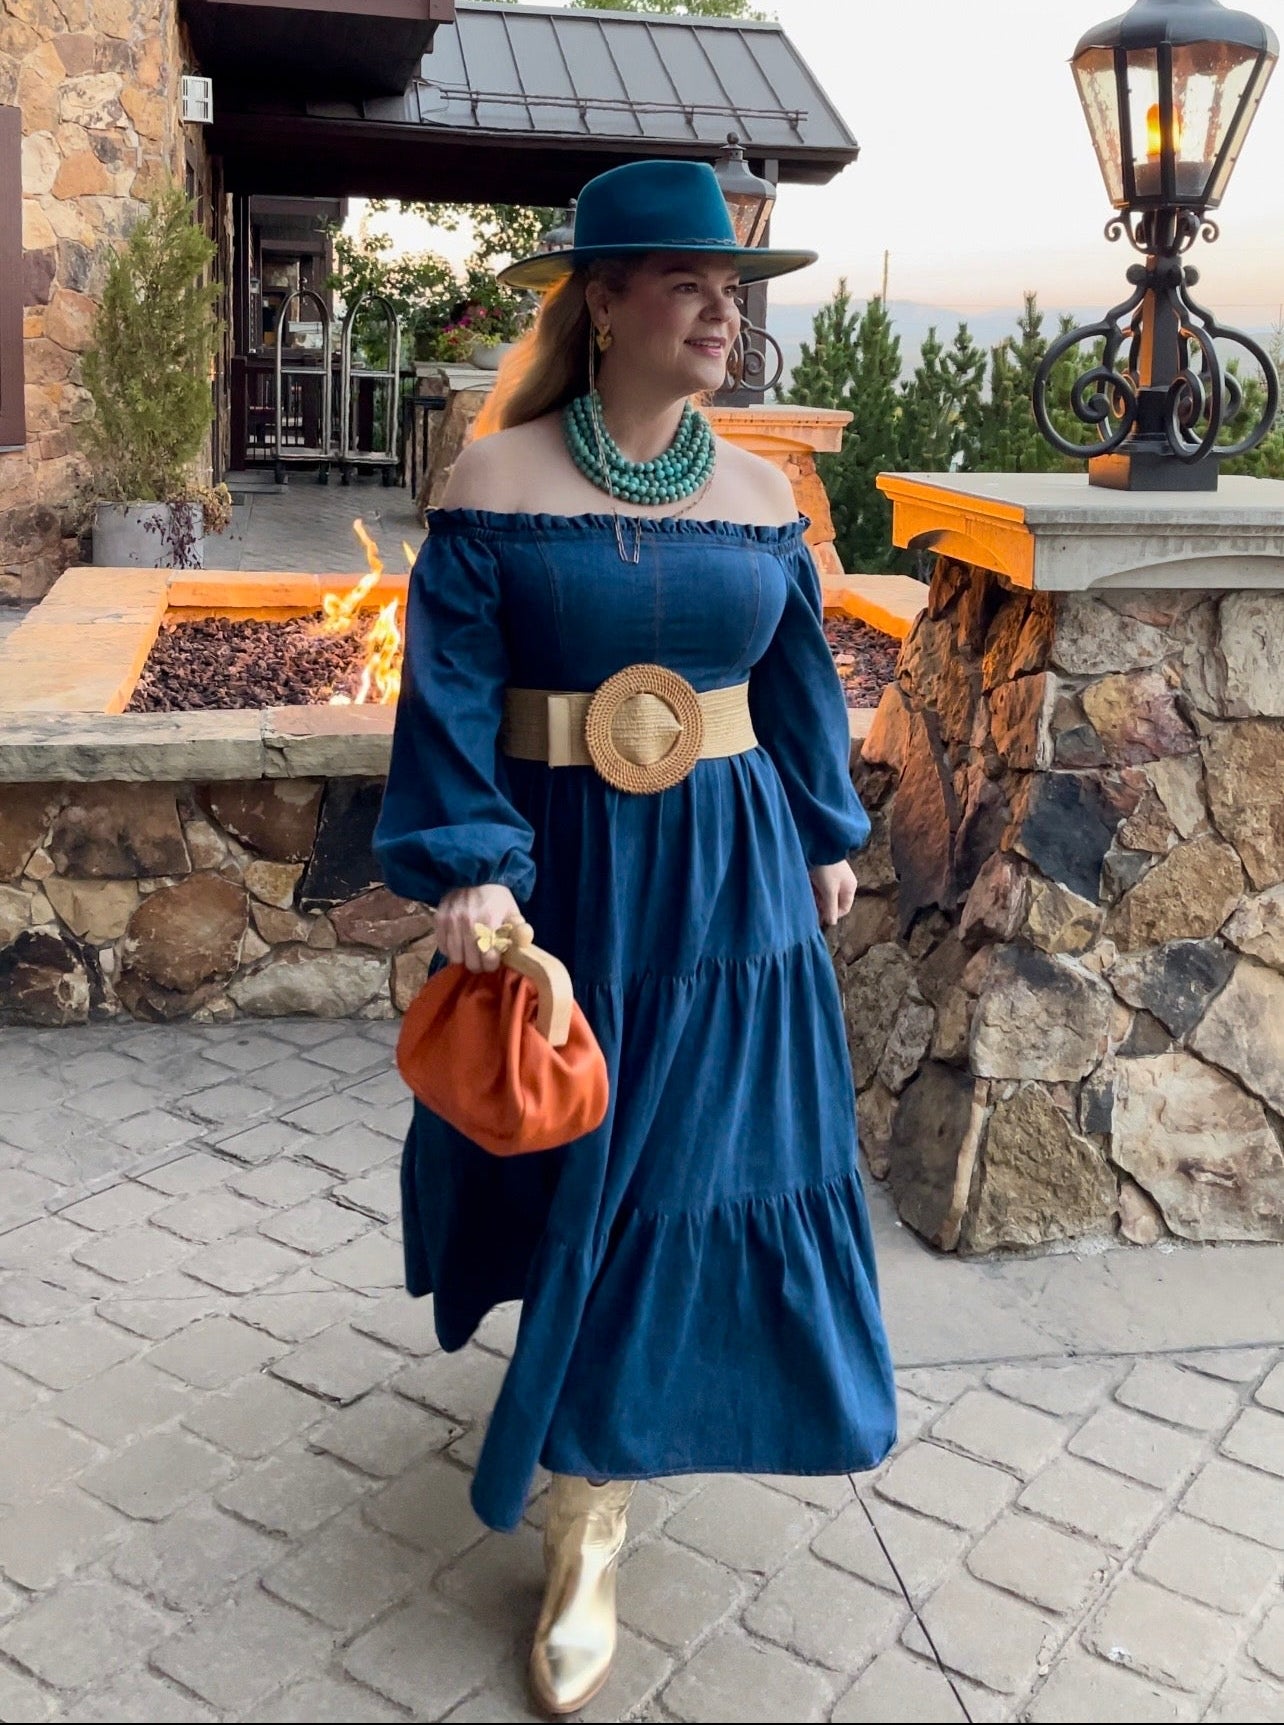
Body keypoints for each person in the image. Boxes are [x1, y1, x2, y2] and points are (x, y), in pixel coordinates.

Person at [374, 159, 896, 1718]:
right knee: (582, 1165)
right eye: (688, 281)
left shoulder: (760, 501)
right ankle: (585, 1450)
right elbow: (449, 694)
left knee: (688, 1173)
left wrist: (824, 833)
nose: (724, 310)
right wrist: (469, 865)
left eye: (735, 287)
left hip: (733, 893)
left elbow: (800, 683)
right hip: (568, 891)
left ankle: (589, 1506)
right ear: (599, 301)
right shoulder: (494, 486)